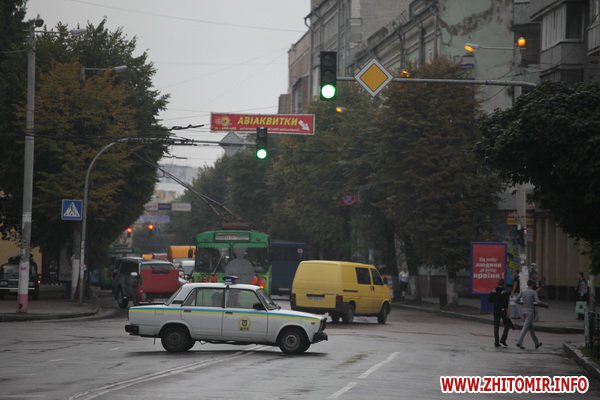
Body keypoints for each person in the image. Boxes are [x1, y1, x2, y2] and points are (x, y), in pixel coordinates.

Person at [515, 279, 549, 349]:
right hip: (530, 312)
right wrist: (545, 305)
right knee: (525, 328)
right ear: (532, 285)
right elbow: (538, 301)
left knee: (531, 329)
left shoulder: (523, 292)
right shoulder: (533, 292)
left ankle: (536, 343)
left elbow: (516, 300)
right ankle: (519, 342)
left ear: (527, 284)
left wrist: (522, 303)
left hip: (524, 311)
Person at [488, 278, 514, 348]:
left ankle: (496, 342)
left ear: (497, 283)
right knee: (507, 325)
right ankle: (503, 339)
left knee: (496, 326)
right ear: (503, 284)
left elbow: (489, 300)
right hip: (503, 310)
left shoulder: (493, 290)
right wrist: (507, 312)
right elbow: (506, 303)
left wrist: (495, 302)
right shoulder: (505, 292)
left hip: (495, 310)